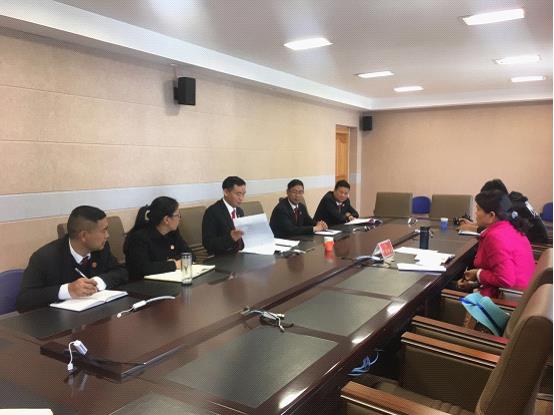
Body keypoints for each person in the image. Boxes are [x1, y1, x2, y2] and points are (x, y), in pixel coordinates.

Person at [16, 206, 128, 312]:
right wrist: (67, 290)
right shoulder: (45, 257)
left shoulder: (101, 248)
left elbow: (121, 272)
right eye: (104, 230)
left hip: (97, 315)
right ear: (83, 236)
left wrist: (98, 282)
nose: (107, 235)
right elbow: (24, 300)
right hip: (58, 321)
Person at [457, 190, 535, 298]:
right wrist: (476, 280)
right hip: (521, 294)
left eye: (478, 209)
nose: (475, 213)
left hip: (506, 301)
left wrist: (478, 274)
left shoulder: (495, 237)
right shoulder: (511, 227)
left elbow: (505, 279)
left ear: (491, 215)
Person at [458, 178, 548, 243]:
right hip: (534, 239)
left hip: (536, 245)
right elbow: (498, 225)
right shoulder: (512, 201)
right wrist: (473, 224)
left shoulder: (512, 207)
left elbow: (501, 231)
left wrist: (472, 228)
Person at [124, 196, 193, 280]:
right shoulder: (139, 238)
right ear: (166, 220)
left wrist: (171, 263)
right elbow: (143, 268)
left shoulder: (173, 233)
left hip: (169, 279)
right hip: (144, 284)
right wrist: (174, 264)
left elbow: (190, 255)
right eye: (178, 215)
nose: (180, 218)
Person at [202, 176, 246, 255]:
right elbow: (208, 243)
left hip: (240, 254)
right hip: (222, 256)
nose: (241, 198)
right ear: (226, 192)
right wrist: (230, 238)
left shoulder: (240, 211)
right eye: (238, 194)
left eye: (243, 194)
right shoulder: (212, 212)